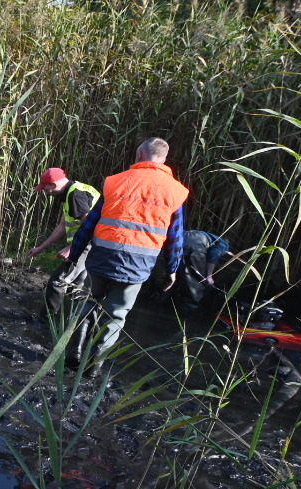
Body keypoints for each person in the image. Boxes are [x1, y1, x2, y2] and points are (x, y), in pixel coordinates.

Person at [63, 138, 189, 372]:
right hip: (138, 264)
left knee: (89, 301)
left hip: (101, 256)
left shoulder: (115, 181)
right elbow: (175, 237)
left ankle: (75, 349)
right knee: (115, 315)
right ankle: (93, 366)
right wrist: (172, 269)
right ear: (164, 159)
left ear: (139, 154)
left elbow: (90, 223)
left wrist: (75, 254)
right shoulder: (176, 191)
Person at [25, 167, 101, 321]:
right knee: (78, 286)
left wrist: (71, 248)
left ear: (53, 185)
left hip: (88, 244)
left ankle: (45, 322)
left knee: (58, 281)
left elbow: (90, 227)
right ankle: (76, 324)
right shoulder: (72, 192)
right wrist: (40, 248)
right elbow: (62, 226)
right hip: (91, 243)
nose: (45, 192)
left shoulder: (75, 195)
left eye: (45, 188)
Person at [171, 230, 230, 316]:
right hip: (195, 246)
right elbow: (214, 254)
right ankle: (188, 313)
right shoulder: (224, 245)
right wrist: (209, 276)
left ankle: (166, 302)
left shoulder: (205, 234)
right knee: (195, 281)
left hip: (178, 241)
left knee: (176, 276)